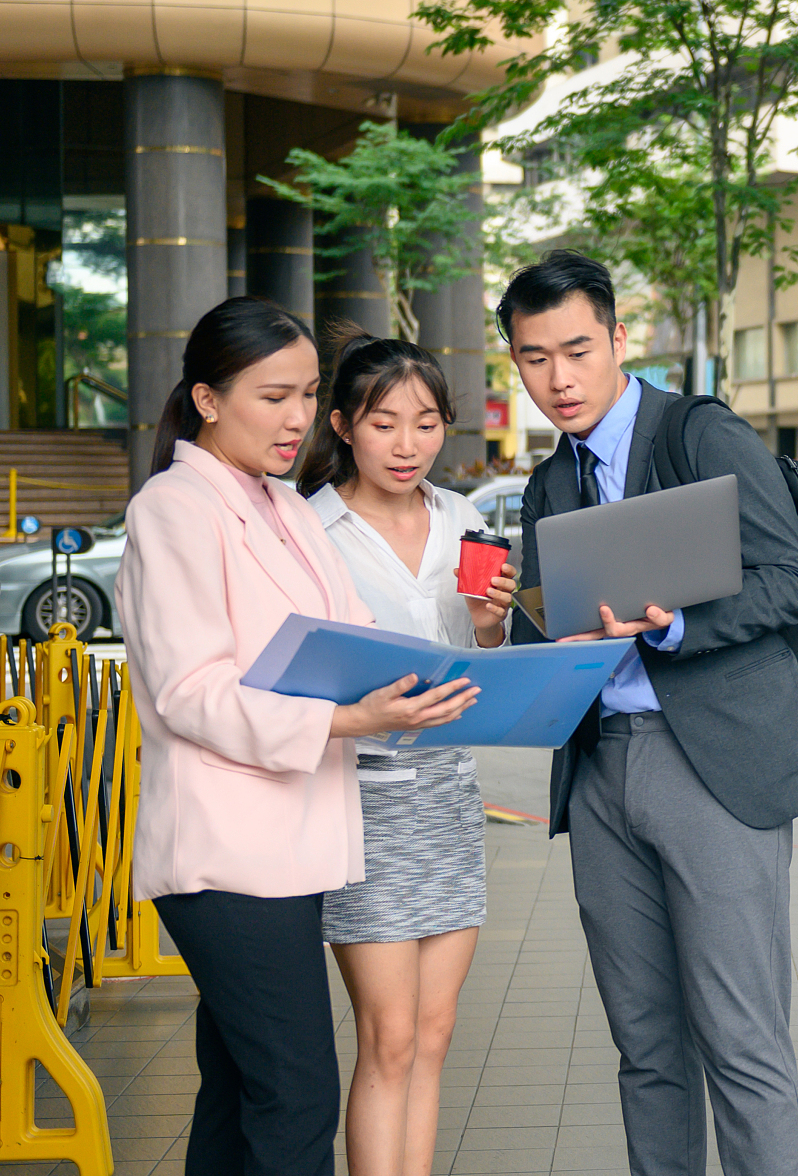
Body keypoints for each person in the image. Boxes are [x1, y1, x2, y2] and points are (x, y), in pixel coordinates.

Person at [114, 298, 478, 1176]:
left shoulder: (280, 503)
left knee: (240, 1090)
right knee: (297, 1091)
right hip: (227, 851)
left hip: (293, 845)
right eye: (273, 395)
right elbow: (191, 690)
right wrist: (350, 718)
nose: (296, 418)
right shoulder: (174, 508)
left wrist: (480, 674)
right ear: (207, 398)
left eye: (308, 395)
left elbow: (353, 641)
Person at [502, 249, 798, 1176]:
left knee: (740, 1038)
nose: (558, 379)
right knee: (646, 1048)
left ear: (616, 337)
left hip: (713, 771)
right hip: (602, 769)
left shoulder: (699, 435)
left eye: (575, 349)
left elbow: (790, 583)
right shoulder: (546, 485)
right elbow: (560, 637)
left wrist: (677, 626)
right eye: (534, 359)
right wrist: (526, 640)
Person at [295, 333, 518, 1176]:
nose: (406, 443)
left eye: (425, 423)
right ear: (345, 425)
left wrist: (493, 625)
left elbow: (475, 653)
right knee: (387, 1038)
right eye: (384, 422)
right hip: (361, 796)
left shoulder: (464, 518)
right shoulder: (310, 527)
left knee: (434, 1033)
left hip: (449, 794)